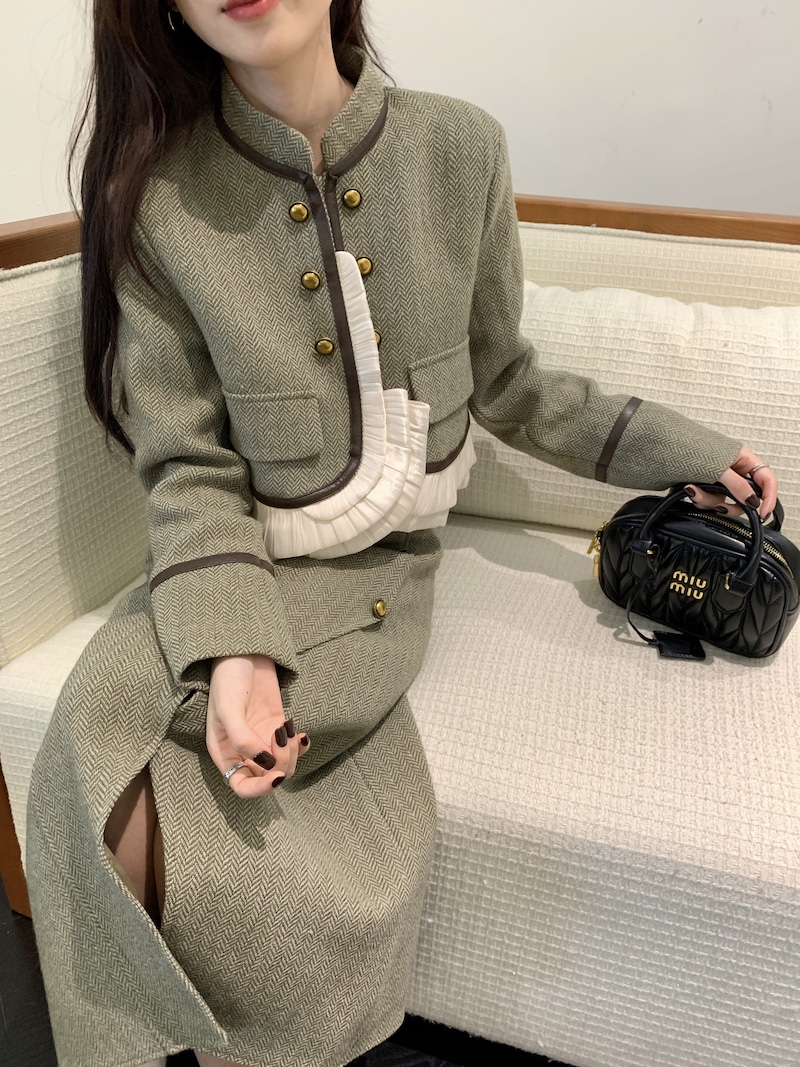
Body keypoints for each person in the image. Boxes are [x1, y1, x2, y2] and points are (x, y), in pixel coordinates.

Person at [25, 2, 778, 1066]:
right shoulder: (155, 199)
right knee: (94, 746)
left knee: (203, 788)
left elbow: (508, 381)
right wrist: (234, 647)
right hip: (221, 563)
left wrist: (681, 448)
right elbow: (186, 464)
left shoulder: (459, 149)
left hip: (371, 577)